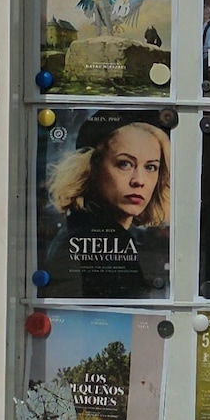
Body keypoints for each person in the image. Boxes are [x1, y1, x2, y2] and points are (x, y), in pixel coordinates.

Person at [41, 115, 170, 299]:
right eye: (124, 164)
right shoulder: (100, 236)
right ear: (91, 167)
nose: (139, 181)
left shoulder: (87, 228)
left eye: (150, 167)